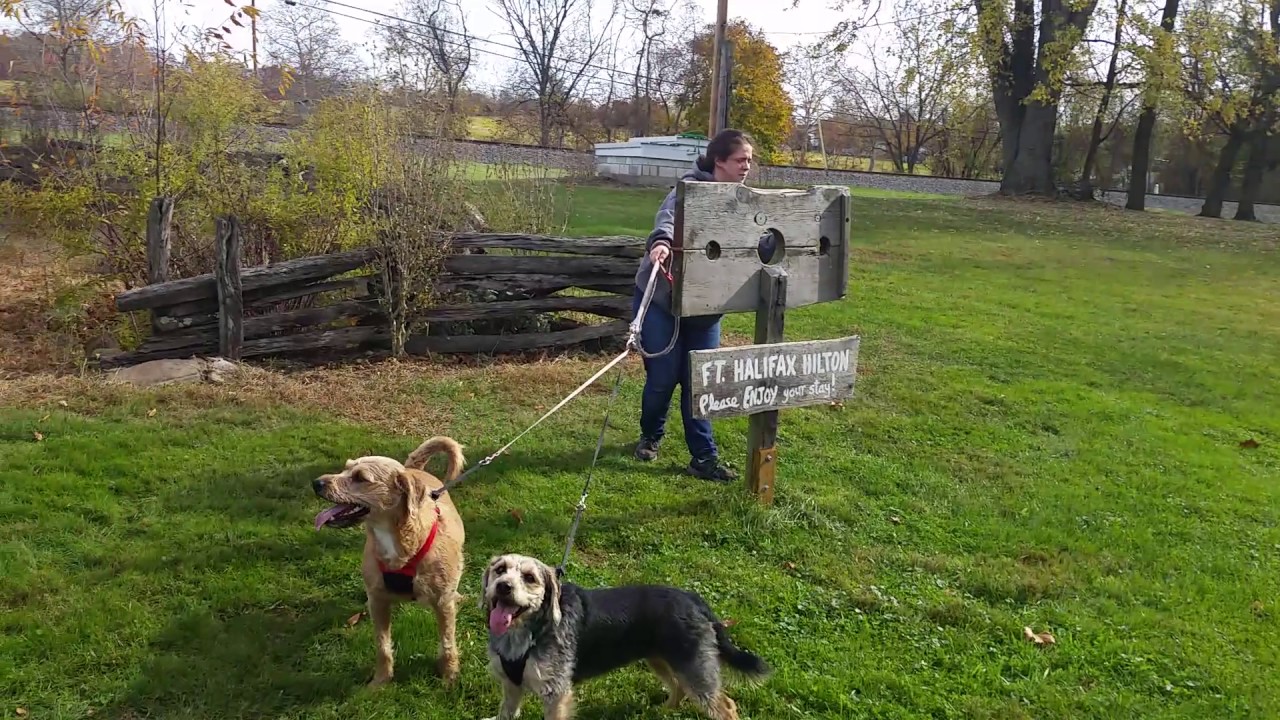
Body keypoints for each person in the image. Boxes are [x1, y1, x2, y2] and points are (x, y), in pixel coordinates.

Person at [629, 128, 774, 482]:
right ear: (719, 161)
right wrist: (661, 243)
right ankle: (651, 435)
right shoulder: (687, 189)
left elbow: (761, 237)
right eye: (740, 160)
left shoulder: (745, 200)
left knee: (701, 383)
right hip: (663, 301)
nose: (746, 167)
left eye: (750, 161)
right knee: (662, 378)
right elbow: (667, 220)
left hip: (707, 305)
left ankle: (703, 458)